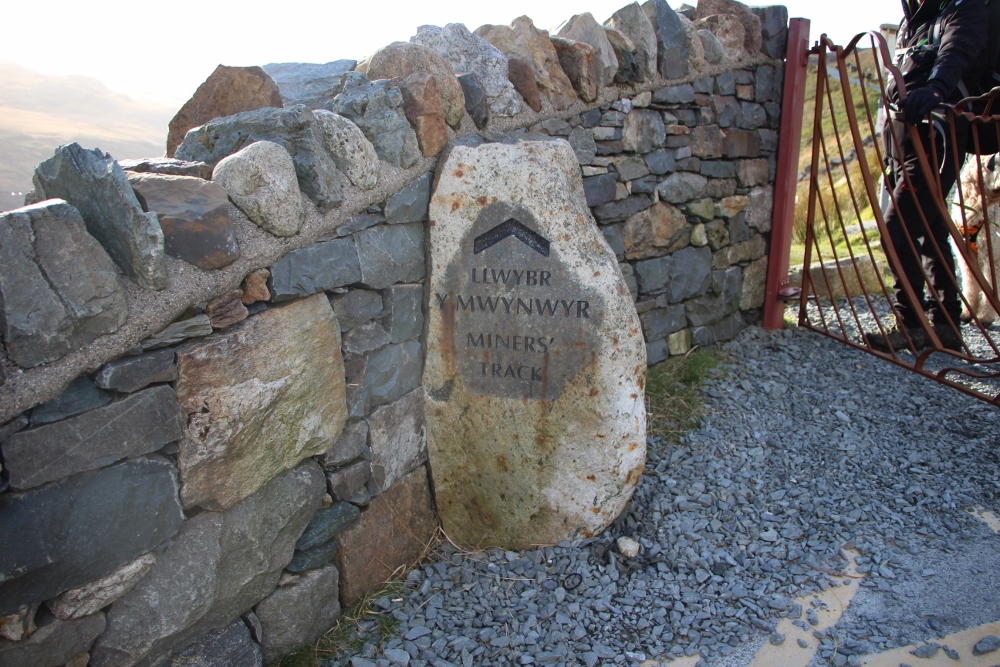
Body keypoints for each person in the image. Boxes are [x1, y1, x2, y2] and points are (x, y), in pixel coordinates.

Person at [868, 0, 989, 353]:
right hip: (904, 139)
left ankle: (911, 325)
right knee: (932, 228)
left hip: (938, 137)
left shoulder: (963, 8)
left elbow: (957, 51)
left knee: (898, 227)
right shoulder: (915, 21)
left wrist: (936, 89)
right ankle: (947, 326)